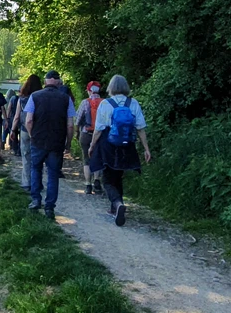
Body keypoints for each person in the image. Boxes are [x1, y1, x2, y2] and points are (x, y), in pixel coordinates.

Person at [87, 74, 152, 226]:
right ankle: (115, 207)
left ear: (111, 87)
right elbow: (141, 127)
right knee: (119, 174)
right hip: (127, 145)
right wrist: (146, 149)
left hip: (108, 144)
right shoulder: (133, 103)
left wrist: (91, 145)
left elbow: (98, 129)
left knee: (107, 178)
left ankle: (117, 203)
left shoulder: (106, 103)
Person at [24, 70, 74, 219]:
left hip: (38, 140)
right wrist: (68, 142)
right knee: (53, 174)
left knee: (36, 168)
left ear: (46, 81)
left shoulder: (34, 96)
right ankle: (50, 207)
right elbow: (70, 125)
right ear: (58, 81)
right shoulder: (66, 99)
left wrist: (32, 134)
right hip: (57, 142)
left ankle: (35, 200)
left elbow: (28, 120)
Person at [11, 74, 42, 189]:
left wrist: (13, 130)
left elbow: (17, 117)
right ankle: (37, 183)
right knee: (38, 158)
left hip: (24, 130)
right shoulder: (40, 98)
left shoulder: (22, 99)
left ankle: (26, 183)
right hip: (38, 131)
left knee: (26, 157)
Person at [74, 80, 105, 195]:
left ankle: (88, 185)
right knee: (98, 158)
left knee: (86, 159)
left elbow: (77, 120)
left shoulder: (84, 102)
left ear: (88, 91)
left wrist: (76, 132)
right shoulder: (104, 102)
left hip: (86, 134)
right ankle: (97, 181)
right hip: (100, 135)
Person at [3, 88, 20, 155]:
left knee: (14, 135)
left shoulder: (13, 98)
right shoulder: (24, 98)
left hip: (13, 119)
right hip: (21, 120)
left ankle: (15, 150)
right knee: (21, 135)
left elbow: (9, 109)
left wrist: (6, 119)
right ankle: (20, 150)